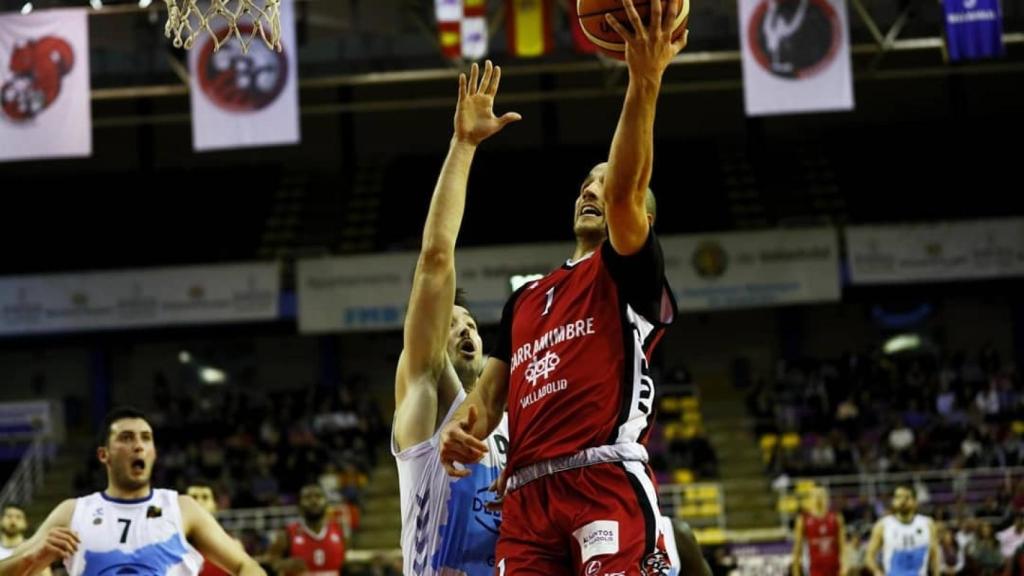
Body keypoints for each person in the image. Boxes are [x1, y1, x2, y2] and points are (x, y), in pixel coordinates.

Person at [439, 0, 690, 572]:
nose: (593, 189)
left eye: (604, 182)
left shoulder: (628, 268)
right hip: (526, 499)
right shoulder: (526, 299)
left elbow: (627, 188)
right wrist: (462, 429)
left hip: (602, 480)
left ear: (638, 217)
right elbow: (489, 400)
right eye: (586, 182)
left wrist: (643, 78)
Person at [391, 58, 519, 576]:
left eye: (471, 324)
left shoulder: (514, 415)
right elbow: (436, 261)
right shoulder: (426, 391)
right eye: (453, 324)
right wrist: (464, 146)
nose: (466, 330)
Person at [0, 407, 265, 576]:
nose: (138, 445)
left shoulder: (182, 508)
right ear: (104, 455)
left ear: (154, 453)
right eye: (126, 438)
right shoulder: (73, 511)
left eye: (145, 438)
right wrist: (34, 558)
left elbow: (246, 566)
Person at [265, 485, 345, 576]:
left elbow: (342, 562)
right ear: (299, 504)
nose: (313, 501)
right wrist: (281, 564)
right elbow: (271, 559)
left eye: (318, 496)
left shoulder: (338, 531)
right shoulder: (288, 533)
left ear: (326, 503)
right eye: (307, 497)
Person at [865, 485, 938, 576]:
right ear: (893, 501)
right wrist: (877, 571)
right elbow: (869, 556)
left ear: (915, 502)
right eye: (898, 497)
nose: (902, 501)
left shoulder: (927, 524)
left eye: (907, 497)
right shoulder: (883, 525)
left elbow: (935, 557)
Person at [791, 488, 845, 576]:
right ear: (810, 499)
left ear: (827, 498)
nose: (819, 498)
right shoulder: (803, 519)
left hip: (835, 567)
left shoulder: (836, 517)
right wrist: (795, 570)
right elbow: (797, 548)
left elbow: (843, 546)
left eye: (822, 495)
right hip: (816, 569)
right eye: (815, 495)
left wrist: (845, 565)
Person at [186, 484, 230, 576]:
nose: (198, 502)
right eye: (193, 497)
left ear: (216, 506)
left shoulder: (233, 546)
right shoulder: (170, 544)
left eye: (205, 497)